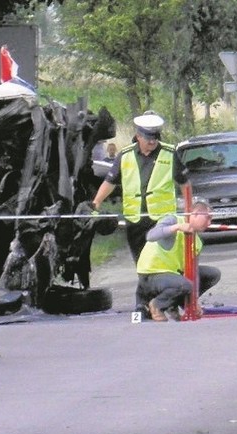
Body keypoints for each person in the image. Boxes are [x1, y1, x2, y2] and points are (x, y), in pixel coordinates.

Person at [91, 112, 189, 310]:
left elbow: (185, 184)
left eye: (155, 138)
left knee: (163, 263)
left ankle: (166, 301)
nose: (152, 142)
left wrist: (188, 211)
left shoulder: (169, 154)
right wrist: (96, 203)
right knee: (142, 264)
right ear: (138, 135)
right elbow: (110, 181)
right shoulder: (125, 155)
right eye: (148, 138)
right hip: (135, 220)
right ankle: (145, 304)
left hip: (162, 222)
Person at [137, 201, 221, 321]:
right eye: (207, 218)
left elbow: (193, 272)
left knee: (213, 274)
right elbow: (151, 236)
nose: (209, 223)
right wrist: (176, 228)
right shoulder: (173, 220)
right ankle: (157, 305)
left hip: (172, 276)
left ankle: (177, 304)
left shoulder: (197, 242)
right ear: (195, 213)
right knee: (184, 284)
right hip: (151, 274)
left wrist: (194, 300)